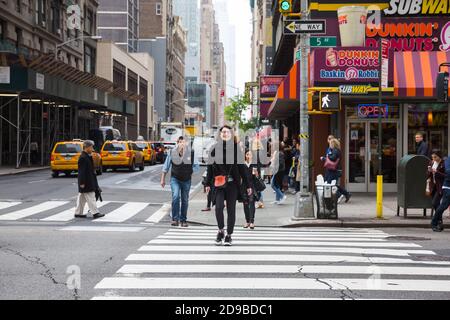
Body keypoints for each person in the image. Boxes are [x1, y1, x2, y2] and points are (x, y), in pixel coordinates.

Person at [205, 126, 252, 246]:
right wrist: (206, 183)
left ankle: (229, 235)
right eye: (223, 132)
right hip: (219, 183)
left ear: (231, 134)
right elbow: (210, 168)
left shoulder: (236, 150)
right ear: (220, 134)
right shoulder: (214, 149)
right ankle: (221, 230)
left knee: (231, 210)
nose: (225, 133)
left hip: (232, 185)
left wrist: (248, 185)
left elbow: (242, 168)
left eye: (227, 132)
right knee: (218, 207)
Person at [161, 136, 199, 227]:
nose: (182, 143)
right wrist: (162, 179)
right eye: (180, 142)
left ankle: (183, 220)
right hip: (175, 179)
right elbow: (166, 166)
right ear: (177, 143)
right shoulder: (172, 152)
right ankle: (175, 219)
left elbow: (196, 166)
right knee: (175, 196)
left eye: (184, 142)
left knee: (185, 200)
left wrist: (190, 172)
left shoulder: (191, 153)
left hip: (186, 180)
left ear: (187, 143)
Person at [74, 140, 104, 219]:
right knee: (91, 197)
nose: (92, 149)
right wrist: (82, 182)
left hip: (87, 181)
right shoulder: (83, 157)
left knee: (81, 199)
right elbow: (81, 172)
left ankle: (78, 213)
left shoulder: (87, 156)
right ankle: (95, 213)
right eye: (91, 147)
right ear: (86, 147)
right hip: (87, 182)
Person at [322, 138, 352, 204]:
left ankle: (339, 195)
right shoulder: (334, 150)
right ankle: (346, 194)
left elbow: (333, 158)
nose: (329, 145)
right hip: (332, 170)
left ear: (333, 144)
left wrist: (326, 157)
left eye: (330, 143)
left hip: (333, 170)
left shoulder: (336, 150)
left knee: (330, 184)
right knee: (332, 184)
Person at [431, 155, 450, 232]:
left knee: (443, 206)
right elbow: (448, 172)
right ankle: (434, 222)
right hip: (448, 187)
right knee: (443, 206)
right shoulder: (448, 160)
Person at [243, 150, 259, 229]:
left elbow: (257, 176)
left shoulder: (254, 164)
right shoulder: (243, 164)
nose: (249, 155)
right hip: (244, 186)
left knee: (252, 203)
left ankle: (252, 221)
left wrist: (256, 173)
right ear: (245, 155)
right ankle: (247, 221)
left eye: (250, 154)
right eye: (247, 154)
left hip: (252, 186)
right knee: (245, 203)